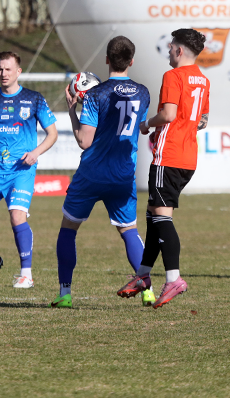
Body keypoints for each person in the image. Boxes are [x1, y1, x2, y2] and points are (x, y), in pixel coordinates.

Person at [51, 37, 152, 308]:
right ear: (131, 61)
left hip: (92, 173)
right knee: (129, 230)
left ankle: (65, 293)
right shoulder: (143, 92)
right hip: (123, 175)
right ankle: (148, 290)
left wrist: (73, 110)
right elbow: (139, 125)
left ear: (106, 60)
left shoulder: (96, 95)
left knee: (68, 229)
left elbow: (85, 141)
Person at [117, 28, 210, 309]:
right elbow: (203, 119)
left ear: (180, 51)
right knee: (153, 216)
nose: (169, 51)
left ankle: (174, 278)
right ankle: (143, 275)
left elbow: (168, 114)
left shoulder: (173, 76)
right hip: (188, 157)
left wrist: (147, 125)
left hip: (168, 157)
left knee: (161, 217)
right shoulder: (203, 80)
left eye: (171, 47)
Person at [0, 52, 58, 289]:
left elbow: (53, 134)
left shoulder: (34, 98)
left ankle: (26, 273)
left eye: (8, 69)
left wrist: (36, 153)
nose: (3, 74)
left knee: (17, 216)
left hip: (22, 169)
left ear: (18, 72)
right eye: (0, 69)